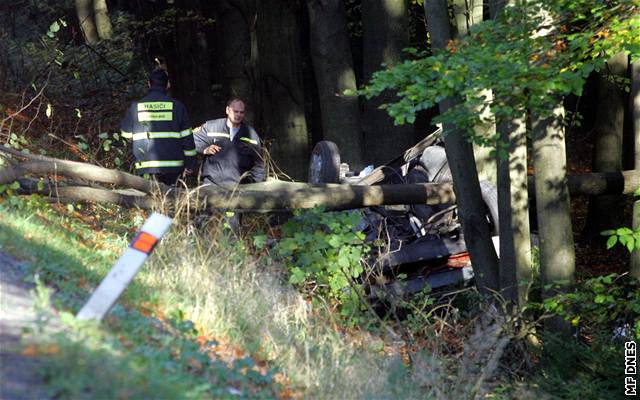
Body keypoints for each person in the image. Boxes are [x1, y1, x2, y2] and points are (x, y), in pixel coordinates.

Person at [120, 68, 196, 185]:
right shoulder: (177, 107)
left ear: (149, 84)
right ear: (168, 84)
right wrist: (190, 164)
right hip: (174, 168)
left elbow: (125, 135)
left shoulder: (136, 107)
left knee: (149, 200)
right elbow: (187, 140)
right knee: (172, 201)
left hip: (145, 167)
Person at [193, 98, 265, 187]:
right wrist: (204, 149)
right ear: (227, 110)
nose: (238, 115)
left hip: (238, 188)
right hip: (211, 186)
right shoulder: (211, 127)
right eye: (235, 111)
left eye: (241, 112)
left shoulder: (250, 134)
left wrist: (252, 184)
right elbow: (190, 141)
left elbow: (259, 163)